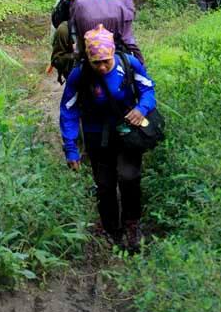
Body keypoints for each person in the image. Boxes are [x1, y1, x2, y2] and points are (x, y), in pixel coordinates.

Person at [60, 24, 156, 250]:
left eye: (106, 61)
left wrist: (142, 108)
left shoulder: (128, 64)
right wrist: (71, 147)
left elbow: (148, 89)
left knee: (129, 176)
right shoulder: (80, 75)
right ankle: (110, 227)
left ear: (113, 54)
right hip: (96, 137)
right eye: (97, 63)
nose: (102, 67)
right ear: (88, 60)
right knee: (104, 184)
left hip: (127, 133)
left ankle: (132, 223)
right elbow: (68, 110)